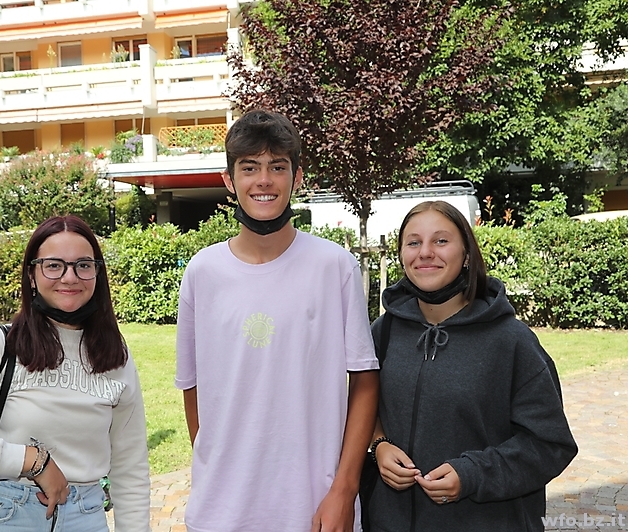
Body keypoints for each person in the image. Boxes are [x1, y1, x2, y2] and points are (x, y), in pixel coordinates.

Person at [175, 109, 380, 532]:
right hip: (221, 512)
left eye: (277, 167)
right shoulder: (202, 272)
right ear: (229, 180)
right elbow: (192, 388)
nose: (264, 180)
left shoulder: (334, 266)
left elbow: (364, 380)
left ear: (297, 177)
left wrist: (344, 490)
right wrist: (219, 469)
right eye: (250, 167)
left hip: (315, 508)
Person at [0, 215, 151, 532]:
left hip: (87, 516)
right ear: (32, 275)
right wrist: (32, 461)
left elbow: (130, 465)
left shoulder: (115, 356)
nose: (70, 277)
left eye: (83, 265)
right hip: (5, 513)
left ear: (97, 274)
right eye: (54, 265)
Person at [366, 201, 578, 532]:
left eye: (441, 240)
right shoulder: (384, 332)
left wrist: (472, 475)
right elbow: (361, 410)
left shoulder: (512, 341)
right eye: (413, 242)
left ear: (466, 254)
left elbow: (550, 445)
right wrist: (379, 445)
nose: (425, 252)